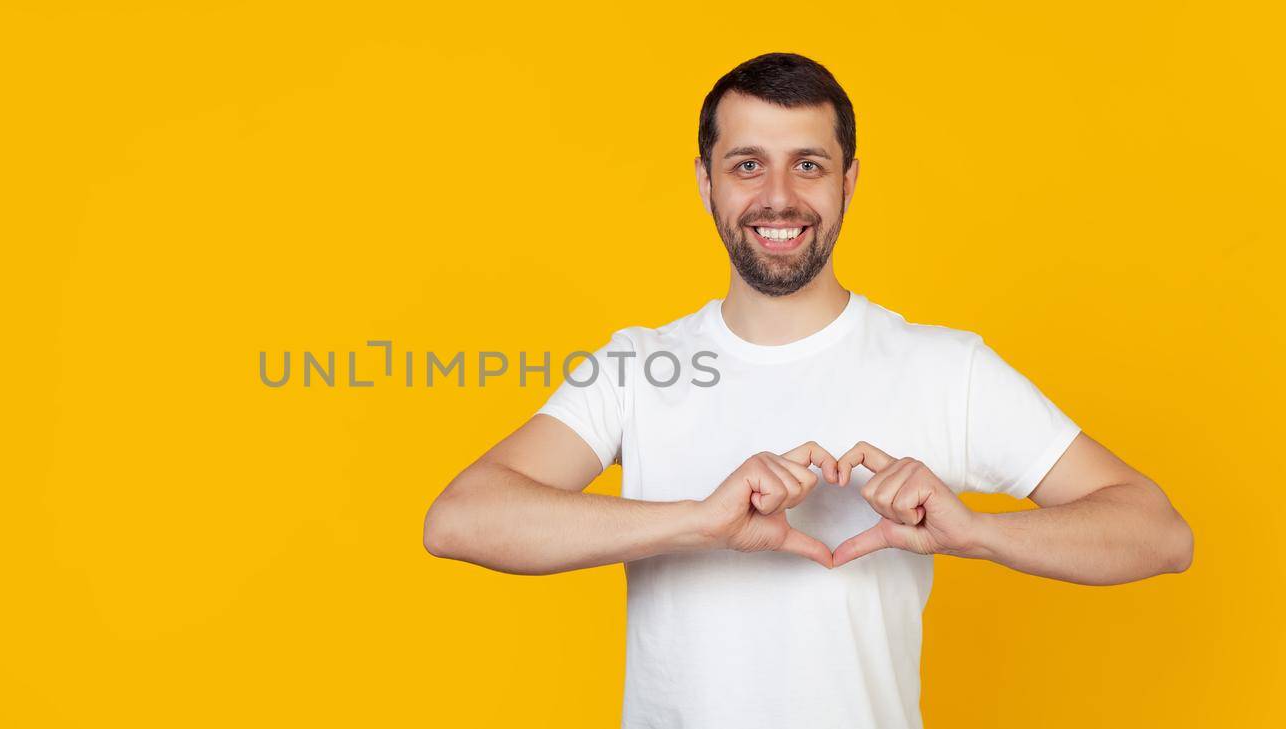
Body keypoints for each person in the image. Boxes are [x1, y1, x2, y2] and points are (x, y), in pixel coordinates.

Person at [420, 52, 1194, 729]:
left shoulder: (946, 367)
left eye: (810, 164)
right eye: (748, 163)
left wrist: (977, 532)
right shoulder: (638, 365)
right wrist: (699, 521)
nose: (779, 197)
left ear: (849, 181)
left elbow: (1159, 532)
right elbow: (461, 518)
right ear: (706, 181)